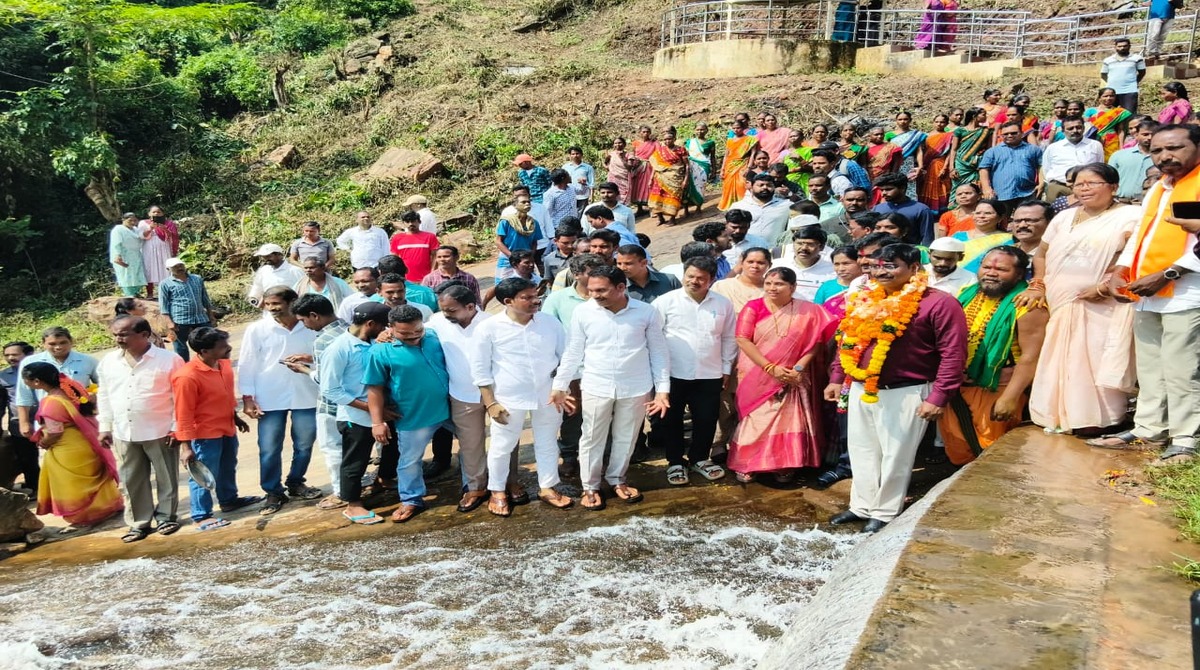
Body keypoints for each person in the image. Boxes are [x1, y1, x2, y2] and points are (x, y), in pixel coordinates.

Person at [826, 244, 967, 533]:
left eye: (891, 266)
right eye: (876, 266)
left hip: (907, 391)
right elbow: (849, 340)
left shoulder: (940, 303)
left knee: (896, 456)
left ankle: (885, 512)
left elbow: (953, 354)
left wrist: (939, 396)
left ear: (914, 268)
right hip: (861, 386)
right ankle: (861, 506)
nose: (881, 272)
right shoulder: (866, 297)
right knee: (861, 449)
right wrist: (837, 377)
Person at [1088, 125, 1200, 462]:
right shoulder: (1161, 187)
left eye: (1175, 148)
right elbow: (1141, 233)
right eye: (1157, 151)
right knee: (1151, 367)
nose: (1165, 156)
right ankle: (1149, 429)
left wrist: (1168, 274)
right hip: (1148, 292)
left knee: (1182, 369)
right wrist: (1120, 271)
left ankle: (1186, 438)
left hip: (1187, 292)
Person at [1027, 163, 1139, 435]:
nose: (1084, 189)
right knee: (1058, 355)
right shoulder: (1063, 217)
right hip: (1059, 298)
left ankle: (1098, 419)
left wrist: (1103, 288)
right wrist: (1038, 284)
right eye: (1079, 184)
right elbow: (1041, 254)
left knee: (1095, 357)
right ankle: (1054, 414)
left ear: (1113, 187)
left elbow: (1135, 258)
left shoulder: (1131, 216)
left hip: (1103, 303)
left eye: (1092, 183)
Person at [550, 265, 670, 510]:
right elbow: (573, 350)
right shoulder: (584, 312)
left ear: (621, 287)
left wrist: (662, 390)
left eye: (601, 290)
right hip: (596, 384)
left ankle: (617, 478)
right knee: (591, 436)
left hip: (636, 385)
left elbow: (658, 352)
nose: (594, 295)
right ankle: (590, 486)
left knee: (627, 436)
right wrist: (560, 384)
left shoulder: (646, 312)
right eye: (592, 290)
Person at [471, 278, 572, 515]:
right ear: (508, 301)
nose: (536, 301)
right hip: (508, 397)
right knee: (502, 445)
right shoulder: (489, 327)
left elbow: (566, 357)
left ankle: (547, 487)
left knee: (548, 441)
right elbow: (480, 369)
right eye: (527, 297)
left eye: (536, 295)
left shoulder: (550, 323)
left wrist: (562, 387)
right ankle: (497, 491)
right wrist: (491, 403)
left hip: (548, 394)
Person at [938, 247, 1047, 464]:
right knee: (958, 450)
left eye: (1001, 269)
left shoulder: (1029, 305)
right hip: (959, 386)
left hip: (998, 388)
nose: (991, 273)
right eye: (986, 267)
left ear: (1019, 274)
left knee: (990, 454)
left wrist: (1010, 398)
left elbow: (1031, 357)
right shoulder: (967, 293)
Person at [728, 266, 836, 483]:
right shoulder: (754, 307)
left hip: (794, 374)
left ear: (792, 287)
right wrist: (770, 368)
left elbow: (816, 342)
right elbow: (742, 339)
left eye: (779, 284)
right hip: (757, 372)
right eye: (768, 283)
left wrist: (798, 368)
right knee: (757, 417)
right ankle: (748, 462)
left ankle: (784, 463)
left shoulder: (808, 311)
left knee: (789, 418)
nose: (772, 288)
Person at [96, 316, 183, 542]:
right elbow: (104, 395)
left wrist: (176, 427)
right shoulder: (108, 361)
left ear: (144, 335)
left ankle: (166, 517)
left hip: (160, 429)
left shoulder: (169, 360)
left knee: (166, 477)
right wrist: (104, 426)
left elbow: (180, 397)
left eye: (124, 334)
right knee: (131, 479)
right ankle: (139, 523)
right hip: (123, 431)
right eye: (115, 335)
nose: (118, 339)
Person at [238, 287, 322, 515]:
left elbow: (324, 354)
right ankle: (273, 492)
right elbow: (246, 364)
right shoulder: (257, 329)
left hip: (306, 394)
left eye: (276, 303)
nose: (272, 308)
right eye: (268, 304)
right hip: (269, 395)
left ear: (292, 301)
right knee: (268, 448)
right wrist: (247, 398)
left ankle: (296, 482)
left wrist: (309, 360)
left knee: (304, 444)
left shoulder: (309, 325)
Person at [364, 304, 451, 522]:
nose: (413, 337)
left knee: (472, 448)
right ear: (390, 328)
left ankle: (475, 487)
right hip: (413, 416)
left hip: (451, 409)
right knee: (410, 460)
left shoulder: (433, 336)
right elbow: (374, 388)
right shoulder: (380, 351)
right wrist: (377, 422)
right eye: (405, 334)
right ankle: (411, 499)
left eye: (417, 330)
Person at [653, 257, 735, 486]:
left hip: (710, 373)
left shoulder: (723, 304)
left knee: (706, 419)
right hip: (672, 373)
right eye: (690, 276)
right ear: (683, 275)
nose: (694, 281)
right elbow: (653, 337)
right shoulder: (665, 302)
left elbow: (729, 338)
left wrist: (726, 367)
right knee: (671, 420)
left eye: (701, 278)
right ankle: (675, 462)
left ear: (712, 279)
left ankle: (699, 458)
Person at [173, 327, 259, 531]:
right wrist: (186, 447)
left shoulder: (224, 364)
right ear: (204, 351)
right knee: (203, 473)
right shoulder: (187, 377)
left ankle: (229, 500)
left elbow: (226, 394)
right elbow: (183, 413)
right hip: (204, 434)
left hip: (226, 426)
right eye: (222, 346)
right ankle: (201, 516)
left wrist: (235, 417)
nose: (229, 348)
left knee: (228, 465)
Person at [21, 362, 122, 533]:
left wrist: (44, 442)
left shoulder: (50, 402)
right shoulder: (71, 391)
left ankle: (83, 519)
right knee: (93, 480)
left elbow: (55, 431)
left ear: (36, 381)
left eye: (26, 380)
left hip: (67, 449)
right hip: (85, 442)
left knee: (73, 485)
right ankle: (106, 510)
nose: (26, 383)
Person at [427, 284, 498, 514]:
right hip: (462, 394)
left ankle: (505, 483)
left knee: (504, 441)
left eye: (451, 310)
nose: (446, 314)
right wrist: (388, 333)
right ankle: (475, 487)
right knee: (470, 444)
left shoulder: (492, 323)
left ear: (470, 306)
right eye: (443, 309)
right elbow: (415, 332)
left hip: (497, 393)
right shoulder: (437, 322)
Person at [319, 302, 391, 525]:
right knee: (355, 461)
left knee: (391, 450)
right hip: (355, 417)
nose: (386, 329)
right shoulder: (339, 349)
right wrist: (371, 408)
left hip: (385, 411)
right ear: (370, 324)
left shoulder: (374, 341)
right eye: (383, 325)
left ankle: (383, 482)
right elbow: (330, 389)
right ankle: (353, 504)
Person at [542, 253, 608, 475]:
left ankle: (603, 456)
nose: (597, 276)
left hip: (603, 367)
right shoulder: (557, 300)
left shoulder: (609, 296)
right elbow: (548, 335)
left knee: (604, 414)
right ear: (576, 274)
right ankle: (570, 456)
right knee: (573, 414)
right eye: (591, 272)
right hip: (572, 369)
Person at [288, 294, 347, 511]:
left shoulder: (322, 340)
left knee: (333, 449)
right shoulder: (348, 329)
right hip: (353, 405)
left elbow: (324, 379)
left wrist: (304, 370)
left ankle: (341, 492)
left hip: (331, 405)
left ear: (314, 315)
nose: (304, 325)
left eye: (303, 320)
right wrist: (311, 358)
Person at [15, 327, 99, 442]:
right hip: (48, 418)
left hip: (81, 417)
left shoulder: (88, 361)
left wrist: (94, 396)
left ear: (71, 341)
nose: (58, 347)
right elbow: (24, 394)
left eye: (63, 342)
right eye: (52, 344)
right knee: (53, 449)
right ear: (43, 344)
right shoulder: (30, 362)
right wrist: (24, 422)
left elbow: (104, 385)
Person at [157, 257, 215, 362]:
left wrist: (211, 316)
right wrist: (169, 322)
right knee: (180, 346)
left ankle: (210, 362)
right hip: (180, 319)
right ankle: (184, 365)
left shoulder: (197, 279)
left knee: (209, 340)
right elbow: (163, 304)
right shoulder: (165, 284)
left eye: (181, 265)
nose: (179, 268)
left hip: (200, 317)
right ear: (168, 269)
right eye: (175, 267)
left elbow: (205, 298)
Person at [979, 121, 1043, 211]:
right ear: (1001, 136)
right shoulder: (992, 152)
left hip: (1027, 193)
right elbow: (984, 170)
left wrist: (1041, 184)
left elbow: (1041, 166)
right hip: (1001, 194)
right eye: (1005, 134)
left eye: (1014, 133)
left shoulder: (1033, 149)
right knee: (1002, 218)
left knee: (1026, 217)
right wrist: (986, 188)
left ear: (1022, 133)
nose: (1009, 135)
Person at [1, 342, 38, 494]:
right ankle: (34, 487)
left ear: (28, 354)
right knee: (27, 459)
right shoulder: (2, 377)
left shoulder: (43, 370)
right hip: (19, 425)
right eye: (7, 355)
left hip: (47, 421)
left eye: (15, 354)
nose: (11, 358)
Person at [1041, 116, 1106, 202]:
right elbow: (1046, 169)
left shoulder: (1095, 145)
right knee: (1055, 210)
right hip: (1059, 188)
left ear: (1083, 128)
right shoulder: (1053, 148)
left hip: (1087, 189)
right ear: (1063, 130)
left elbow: (1100, 166)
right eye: (1070, 128)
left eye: (1078, 127)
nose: (1075, 131)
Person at [773, 225, 836, 301]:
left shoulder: (832, 271)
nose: (804, 248)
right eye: (799, 243)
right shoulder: (776, 265)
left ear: (822, 247)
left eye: (810, 244)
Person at [648, 127, 696, 225]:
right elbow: (655, 166)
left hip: (675, 178)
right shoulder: (660, 151)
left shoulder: (681, 150)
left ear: (674, 139)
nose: (667, 141)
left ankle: (672, 218)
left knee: (673, 197)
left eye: (669, 139)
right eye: (665, 139)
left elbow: (687, 165)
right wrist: (651, 178)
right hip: (660, 178)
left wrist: (686, 179)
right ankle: (660, 218)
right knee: (657, 197)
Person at [872, 173, 936, 245]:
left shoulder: (921, 210)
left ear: (902, 188)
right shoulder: (877, 208)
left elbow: (927, 238)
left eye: (888, 189)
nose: (883, 193)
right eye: (881, 190)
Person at [952, 198, 1013, 273]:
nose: (981, 216)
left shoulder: (1007, 239)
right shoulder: (958, 236)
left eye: (988, 213)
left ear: (1000, 217)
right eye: (978, 213)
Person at [732, 173, 792, 245]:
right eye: (761, 185)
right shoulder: (739, 206)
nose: (765, 187)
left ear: (774, 187)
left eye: (769, 185)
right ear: (751, 187)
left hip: (774, 248)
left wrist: (790, 194)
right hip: (745, 248)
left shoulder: (786, 205)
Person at [495, 192, 544, 280]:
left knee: (529, 282)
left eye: (528, 202)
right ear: (515, 205)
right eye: (523, 202)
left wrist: (530, 257)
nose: (527, 204)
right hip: (507, 258)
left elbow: (534, 242)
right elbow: (498, 241)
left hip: (525, 260)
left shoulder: (533, 223)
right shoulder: (506, 221)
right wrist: (512, 256)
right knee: (503, 284)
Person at [1110, 118, 1157, 203]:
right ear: (1136, 135)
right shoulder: (1119, 155)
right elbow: (1108, 179)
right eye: (1145, 134)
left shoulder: (1162, 159)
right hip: (1120, 202)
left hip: (1150, 203)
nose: (1150, 138)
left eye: (1154, 135)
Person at [616, 244, 682, 304]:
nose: (622, 268)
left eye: (628, 263)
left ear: (644, 263)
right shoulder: (617, 288)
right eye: (619, 263)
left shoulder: (669, 281)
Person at [720, 113, 760, 210]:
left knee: (742, 184)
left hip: (743, 164)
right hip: (730, 166)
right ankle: (731, 206)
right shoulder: (730, 140)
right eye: (734, 128)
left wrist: (749, 167)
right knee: (728, 186)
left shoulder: (750, 139)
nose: (736, 130)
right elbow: (726, 155)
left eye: (738, 128)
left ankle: (744, 205)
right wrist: (722, 168)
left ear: (742, 128)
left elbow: (753, 154)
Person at [886, 112, 927, 201]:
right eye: (900, 119)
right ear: (896, 121)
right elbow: (884, 151)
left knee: (909, 184)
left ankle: (910, 204)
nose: (903, 121)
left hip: (908, 163)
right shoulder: (889, 135)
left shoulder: (916, 135)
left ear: (910, 120)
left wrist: (920, 166)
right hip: (893, 164)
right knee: (893, 184)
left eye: (905, 119)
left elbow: (919, 151)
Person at [949, 107, 993, 192]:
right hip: (961, 164)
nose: (986, 116)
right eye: (983, 115)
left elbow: (989, 149)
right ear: (974, 116)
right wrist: (951, 168)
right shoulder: (960, 131)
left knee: (977, 188)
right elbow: (953, 149)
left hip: (978, 164)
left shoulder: (986, 131)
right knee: (958, 188)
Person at [140, 205, 179, 300]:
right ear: (149, 213)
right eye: (154, 212)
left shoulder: (169, 223)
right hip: (149, 249)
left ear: (163, 213)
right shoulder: (143, 223)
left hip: (164, 249)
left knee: (165, 269)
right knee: (149, 269)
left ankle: (167, 292)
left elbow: (173, 237)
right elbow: (140, 236)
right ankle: (150, 293)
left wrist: (164, 228)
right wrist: (150, 228)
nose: (156, 214)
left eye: (158, 212)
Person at [389, 211, 439, 283]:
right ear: (403, 223)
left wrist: (432, 273)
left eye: (413, 221)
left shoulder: (430, 237)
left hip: (425, 279)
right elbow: (394, 258)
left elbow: (435, 256)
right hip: (405, 279)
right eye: (407, 221)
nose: (411, 224)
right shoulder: (397, 238)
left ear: (419, 222)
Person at [1085, 87, 1134, 161]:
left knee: (1110, 161)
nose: (1109, 98)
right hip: (1093, 138)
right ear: (1099, 98)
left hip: (1111, 140)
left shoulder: (1119, 112)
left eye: (1111, 96)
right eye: (1105, 96)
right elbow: (1085, 127)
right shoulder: (1090, 111)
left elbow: (1121, 130)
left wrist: (1121, 147)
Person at [919, 113, 954, 212]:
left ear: (946, 123)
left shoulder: (949, 136)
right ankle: (928, 209)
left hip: (941, 164)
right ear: (933, 123)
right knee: (926, 186)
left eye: (942, 122)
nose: (939, 124)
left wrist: (945, 167)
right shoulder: (925, 136)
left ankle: (941, 209)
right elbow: (922, 151)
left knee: (941, 185)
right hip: (927, 165)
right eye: (937, 122)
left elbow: (950, 153)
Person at [1102, 38, 1146, 113]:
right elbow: (1103, 74)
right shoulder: (1108, 60)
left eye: (1125, 46)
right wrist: (1111, 83)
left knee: (1129, 114)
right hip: (1112, 92)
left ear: (1129, 46)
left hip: (1130, 91)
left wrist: (1134, 82)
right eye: (1119, 46)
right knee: (1111, 114)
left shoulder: (1137, 58)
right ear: (1115, 47)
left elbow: (1142, 72)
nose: (1122, 48)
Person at [109, 212, 147, 297]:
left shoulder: (136, 229)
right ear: (123, 220)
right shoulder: (118, 229)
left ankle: (135, 292)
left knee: (137, 274)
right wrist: (118, 255)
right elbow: (116, 243)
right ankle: (129, 294)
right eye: (130, 220)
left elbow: (141, 240)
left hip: (136, 255)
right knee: (125, 275)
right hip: (124, 255)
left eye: (134, 220)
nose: (133, 222)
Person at [630, 126, 658, 214]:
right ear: (640, 133)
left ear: (650, 133)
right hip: (637, 167)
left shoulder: (654, 143)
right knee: (637, 187)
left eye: (647, 132)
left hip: (649, 166)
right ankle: (640, 209)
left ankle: (652, 209)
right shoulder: (636, 143)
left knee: (649, 186)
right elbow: (632, 153)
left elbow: (658, 153)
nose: (646, 133)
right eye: (643, 132)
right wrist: (634, 159)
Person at [603, 138, 635, 205]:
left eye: (620, 142)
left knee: (623, 195)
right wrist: (607, 165)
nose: (617, 144)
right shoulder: (611, 154)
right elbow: (606, 164)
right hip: (613, 178)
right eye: (615, 143)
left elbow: (629, 167)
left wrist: (622, 158)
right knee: (612, 193)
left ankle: (623, 209)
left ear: (624, 144)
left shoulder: (629, 155)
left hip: (624, 178)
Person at [563, 146, 595, 213]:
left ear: (581, 155)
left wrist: (591, 196)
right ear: (570, 155)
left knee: (581, 215)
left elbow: (591, 183)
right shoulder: (565, 167)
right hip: (568, 195)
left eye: (577, 153)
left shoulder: (588, 168)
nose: (575, 156)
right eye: (573, 154)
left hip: (583, 196)